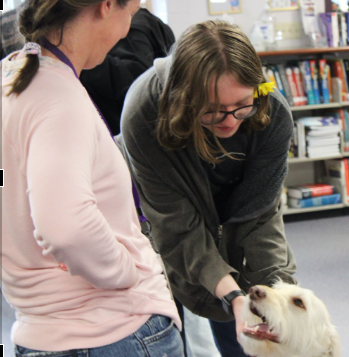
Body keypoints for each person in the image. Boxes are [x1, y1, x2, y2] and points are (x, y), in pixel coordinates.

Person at [1, 0, 184, 355]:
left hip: (42, 329)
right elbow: (67, 228)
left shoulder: (13, 77)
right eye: (129, 15)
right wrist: (125, 272)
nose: (126, 30)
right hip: (112, 332)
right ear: (106, 7)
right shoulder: (57, 96)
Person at [116, 20, 297, 356]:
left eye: (242, 105)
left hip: (231, 205)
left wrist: (273, 296)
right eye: (212, 111)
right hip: (158, 219)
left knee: (252, 328)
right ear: (184, 100)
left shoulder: (272, 112)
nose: (230, 121)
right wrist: (230, 294)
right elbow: (176, 227)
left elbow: (259, 216)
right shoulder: (144, 112)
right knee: (173, 323)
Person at [79, 7, 175, 135]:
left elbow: (136, 83)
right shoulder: (150, 22)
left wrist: (80, 61)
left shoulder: (130, 29)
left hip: (134, 134)